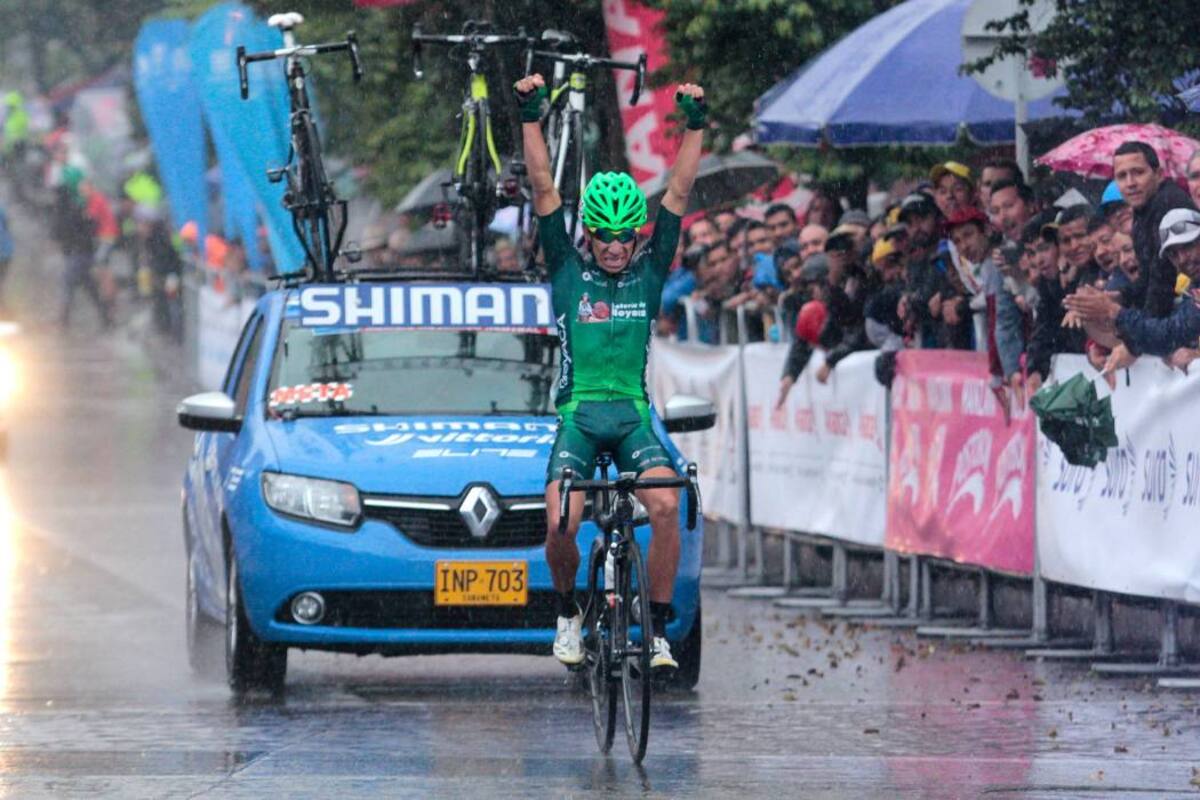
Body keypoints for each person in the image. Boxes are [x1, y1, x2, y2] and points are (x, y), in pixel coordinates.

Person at [516, 71, 704, 671]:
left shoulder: (649, 274)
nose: (617, 247)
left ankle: (656, 631)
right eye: (606, 237)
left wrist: (694, 127)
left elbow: (678, 190)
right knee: (560, 522)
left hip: (630, 418)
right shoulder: (570, 274)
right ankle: (569, 613)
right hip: (578, 417)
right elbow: (543, 186)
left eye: (627, 237)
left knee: (669, 507)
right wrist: (529, 116)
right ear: (590, 235)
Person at [1066, 208, 1200, 372]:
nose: (1183, 259)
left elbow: (1168, 335)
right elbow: (1172, 332)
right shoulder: (1192, 288)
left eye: (1187, 246)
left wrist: (1114, 312)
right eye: (1173, 254)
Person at [1113, 140, 1195, 318]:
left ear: (1158, 174)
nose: (1130, 183)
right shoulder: (1141, 210)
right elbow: (1147, 276)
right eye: (1122, 176)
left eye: (1138, 172)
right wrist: (1119, 296)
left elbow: (1163, 282)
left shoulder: (1170, 204)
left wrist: (1142, 335)